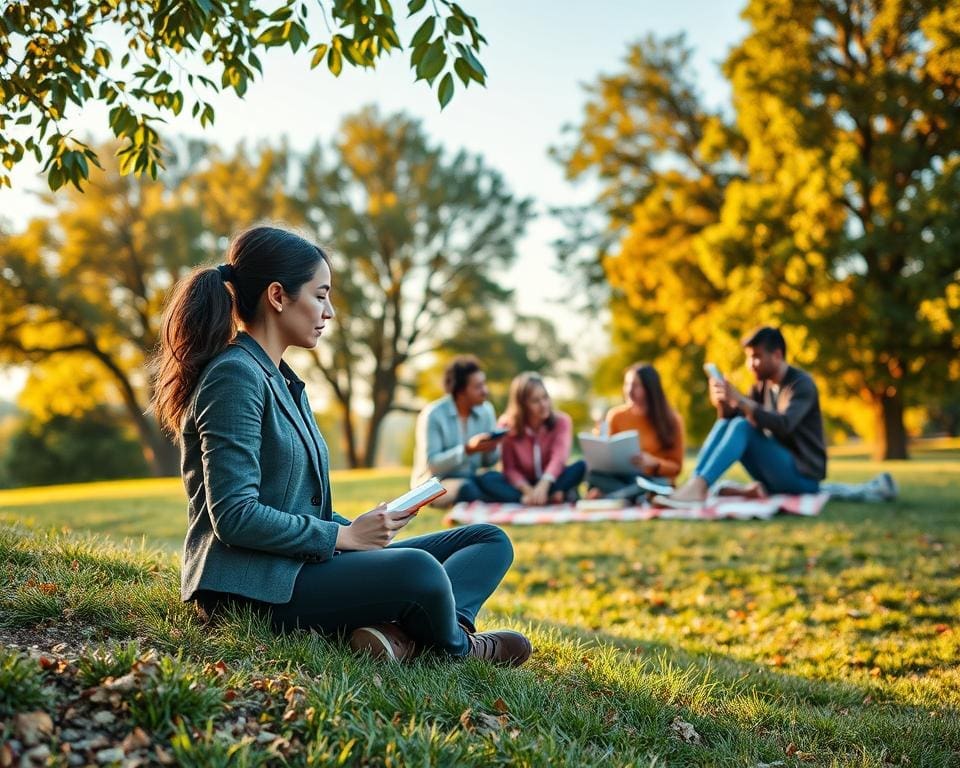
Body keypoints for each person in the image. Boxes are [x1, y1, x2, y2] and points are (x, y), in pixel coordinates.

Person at [151, 226, 531, 665]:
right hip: (251, 589)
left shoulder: (282, 380)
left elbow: (295, 503)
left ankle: (405, 636)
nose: (329, 311)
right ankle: (457, 648)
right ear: (278, 296)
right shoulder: (234, 377)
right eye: (320, 295)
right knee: (418, 570)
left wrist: (366, 529)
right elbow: (234, 517)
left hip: (299, 565)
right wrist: (343, 537)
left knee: (487, 540)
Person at [660, 326, 826, 506]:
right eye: (748, 357)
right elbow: (731, 422)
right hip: (777, 472)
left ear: (777, 355)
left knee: (743, 427)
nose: (749, 364)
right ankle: (695, 484)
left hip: (804, 478)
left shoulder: (801, 384)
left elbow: (784, 424)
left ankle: (698, 487)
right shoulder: (761, 386)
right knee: (731, 424)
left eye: (756, 356)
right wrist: (723, 403)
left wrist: (739, 400)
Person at [410, 355, 518, 505]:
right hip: (435, 484)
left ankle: (516, 499)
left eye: (484, 384)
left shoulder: (486, 410)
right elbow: (432, 465)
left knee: (494, 479)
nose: (485, 391)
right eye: (478, 387)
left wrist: (493, 446)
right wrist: (467, 450)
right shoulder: (433, 414)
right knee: (468, 489)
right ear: (460, 391)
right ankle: (493, 500)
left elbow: (489, 462)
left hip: (471, 477)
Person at [587, 363, 685, 501]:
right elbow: (608, 455)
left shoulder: (672, 420)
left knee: (657, 484)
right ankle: (635, 496)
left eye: (636, 385)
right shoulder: (616, 415)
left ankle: (615, 496)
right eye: (627, 384)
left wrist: (654, 463)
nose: (629, 390)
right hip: (624, 477)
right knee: (590, 473)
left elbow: (677, 468)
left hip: (654, 479)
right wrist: (598, 440)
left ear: (650, 389)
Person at [497, 372, 586, 505]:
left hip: (552, 480)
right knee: (489, 479)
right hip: (523, 485)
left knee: (581, 466)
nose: (543, 404)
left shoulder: (562, 421)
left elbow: (559, 459)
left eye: (545, 397)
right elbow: (509, 468)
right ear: (522, 405)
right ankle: (547, 497)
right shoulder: (506, 425)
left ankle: (548, 495)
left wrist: (544, 485)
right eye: (535, 401)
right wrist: (529, 491)